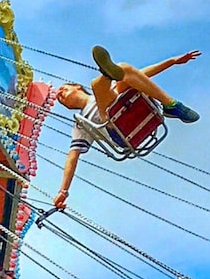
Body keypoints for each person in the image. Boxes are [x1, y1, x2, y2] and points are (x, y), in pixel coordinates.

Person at [50, 47, 201, 210]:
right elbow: (72, 157)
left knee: (123, 70)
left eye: (63, 89)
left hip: (137, 111)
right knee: (99, 84)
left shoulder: (110, 88)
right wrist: (63, 191)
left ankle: (171, 105)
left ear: (77, 86)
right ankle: (108, 73)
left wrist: (171, 61)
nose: (60, 94)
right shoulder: (81, 122)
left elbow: (142, 75)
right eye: (59, 98)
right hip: (119, 131)